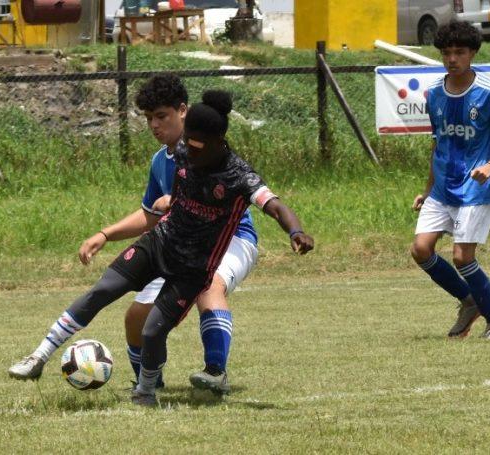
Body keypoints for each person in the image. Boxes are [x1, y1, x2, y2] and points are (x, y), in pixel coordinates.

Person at [17, 89, 313, 408]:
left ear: (216, 142)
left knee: (165, 322)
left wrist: (295, 231)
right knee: (114, 300)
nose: (190, 155)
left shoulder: (238, 174)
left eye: (161, 117)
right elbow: (157, 208)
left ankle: (207, 372)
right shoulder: (177, 152)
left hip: (200, 261)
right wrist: (114, 229)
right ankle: (40, 357)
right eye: (149, 119)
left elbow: (276, 206)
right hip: (160, 243)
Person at [410, 21, 490, 340]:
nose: (452, 59)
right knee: (421, 249)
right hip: (443, 187)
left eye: (459, 52)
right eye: (446, 53)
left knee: (462, 257)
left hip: (476, 188)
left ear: (472, 53)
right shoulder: (433, 94)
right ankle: (469, 300)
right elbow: (438, 143)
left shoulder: (489, 92)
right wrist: (427, 189)